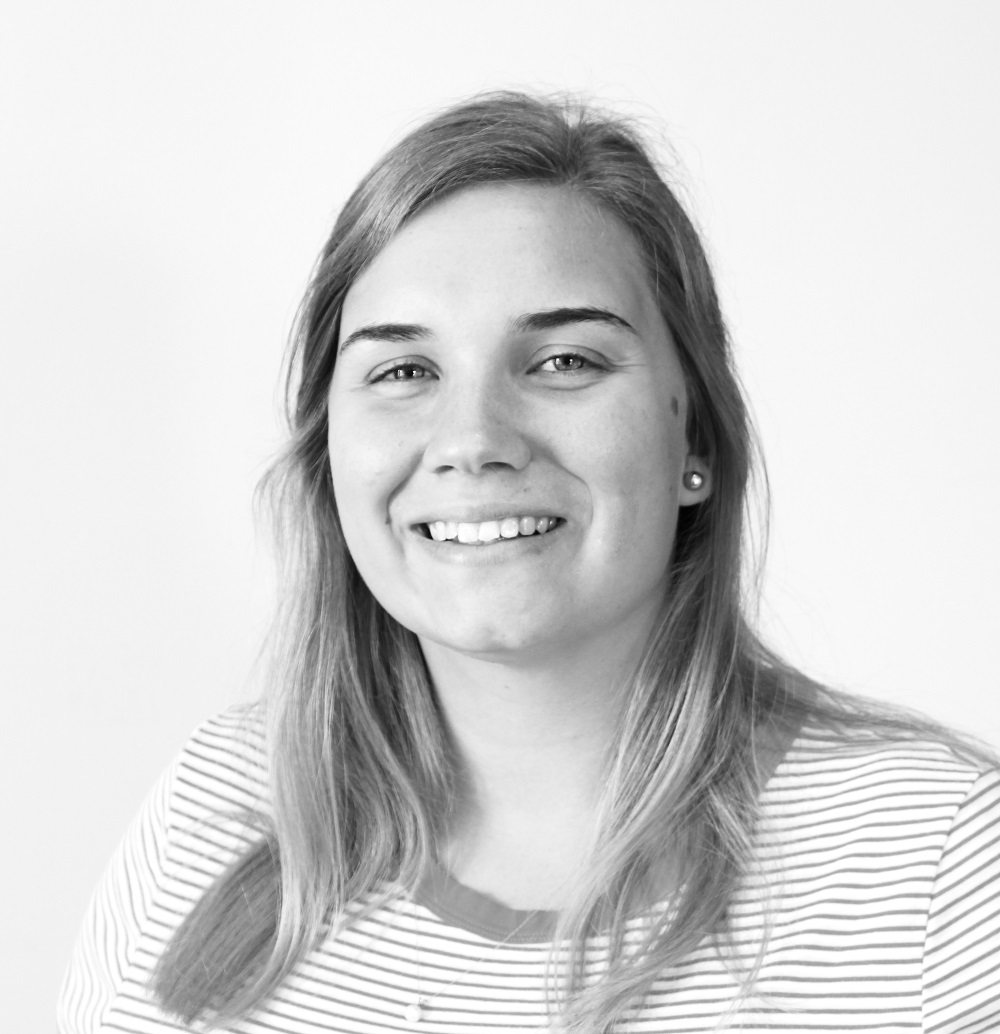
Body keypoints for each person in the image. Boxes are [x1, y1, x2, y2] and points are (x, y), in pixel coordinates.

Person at [57, 91, 1000, 1034]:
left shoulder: (944, 863)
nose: (472, 440)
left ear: (695, 436)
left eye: (564, 362)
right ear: (329, 454)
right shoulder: (213, 807)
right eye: (403, 372)